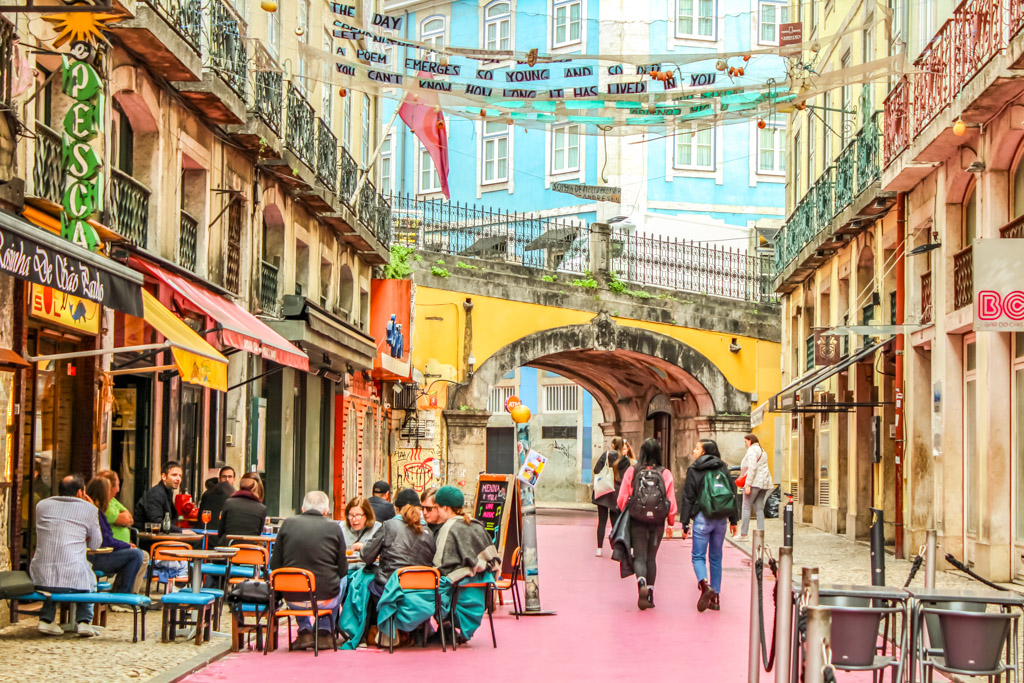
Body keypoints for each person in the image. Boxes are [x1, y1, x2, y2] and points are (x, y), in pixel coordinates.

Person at [271, 491, 348, 651]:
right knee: (343, 579)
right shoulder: (334, 527)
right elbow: (343, 569)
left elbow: (275, 564)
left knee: (295, 579)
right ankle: (324, 631)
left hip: (293, 598)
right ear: (326, 511)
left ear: (303, 508)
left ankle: (305, 630)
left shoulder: (287, 524)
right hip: (326, 599)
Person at [30, 475, 102, 636]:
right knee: (87, 575)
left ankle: (46, 619)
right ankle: (84, 621)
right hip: (74, 576)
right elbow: (95, 544)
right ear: (79, 492)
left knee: (53, 579)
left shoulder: (42, 505)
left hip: (39, 574)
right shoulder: (88, 509)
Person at [360, 489, 436, 632]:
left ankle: (373, 629)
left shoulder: (389, 526)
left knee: (365, 582)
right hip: (422, 591)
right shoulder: (428, 531)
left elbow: (367, 556)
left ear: (397, 508)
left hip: (392, 588)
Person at [616, 438, 676, 610]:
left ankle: (640, 582)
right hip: (657, 522)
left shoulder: (633, 471)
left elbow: (622, 498)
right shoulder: (665, 473)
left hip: (638, 520)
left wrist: (626, 512)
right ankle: (650, 593)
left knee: (640, 556)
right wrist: (671, 522)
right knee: (651, 557)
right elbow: (670, 500)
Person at [679, 439, 739, 613]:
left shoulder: (694, 469)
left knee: (698, 556)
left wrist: (684, 523)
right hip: (720, 519)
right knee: (716, 557)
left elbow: (688, 497)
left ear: (704, 452)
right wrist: (733, 520)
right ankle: (716, 597)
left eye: (697, 448)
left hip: (702, 517)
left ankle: (705, 586)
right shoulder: (723, 467)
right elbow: (732, 494)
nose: (694, 451)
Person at [85, 477, 148, 597]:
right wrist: (127, 545)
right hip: (96, 556)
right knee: (136, 555)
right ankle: (122, 595)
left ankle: (121, 592)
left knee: (135, 554)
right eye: (109, 491)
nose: (113, 493)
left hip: (98, 553)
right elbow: (105, 540)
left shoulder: (97, 510)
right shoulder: (95, 511)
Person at [431, 486, 501, 582]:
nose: (437, 512)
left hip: (457, 592)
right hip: (483, 590)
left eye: (437, 508)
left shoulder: (448, 528)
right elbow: (494, 559)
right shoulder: (477, 525)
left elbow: (440, 566)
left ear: (445, 508)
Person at [593, 436, 631, 557]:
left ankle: (599, 548)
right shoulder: (625, 460)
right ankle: (614, 548)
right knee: (615, 521)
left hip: (603, 491)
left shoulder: (606, 455)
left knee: (602, 521)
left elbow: (596, 470)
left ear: (613, 445)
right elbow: (627, 477)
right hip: (616, 492)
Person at [214, 473, 267, 547]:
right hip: (250, 551)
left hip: (228, 549)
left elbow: (220, 531)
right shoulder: (262, 508)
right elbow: (258, 534)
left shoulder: (229, 502)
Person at [134, 461, 186, 532]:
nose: (178, 479)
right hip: (148, 536)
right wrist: (180, 531)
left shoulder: (166, 492)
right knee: (196, 541)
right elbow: (156, 522)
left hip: (160, 534)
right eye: (174, 475)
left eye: (180, 476)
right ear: (164, 476)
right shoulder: (156, 493)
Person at [738, 434, 773, 540]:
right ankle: (760, 533)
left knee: (746, 506)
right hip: (764, 483)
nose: (745, 444)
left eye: (745, 441)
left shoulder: (752, 450)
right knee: (759, 508)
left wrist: (747, 484)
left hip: (754, 482)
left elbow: (752, 468)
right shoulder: (762, 450)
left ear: (750, 441)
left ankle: (744, 534)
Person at [97, 469, 133, 544]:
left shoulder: (112, 500)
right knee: (140, 554)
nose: (118, 490)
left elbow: (130, 519)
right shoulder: (103, 505)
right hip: (112, 547)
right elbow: (125, 519)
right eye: (117, 485)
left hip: (121, 545)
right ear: (110, 487)